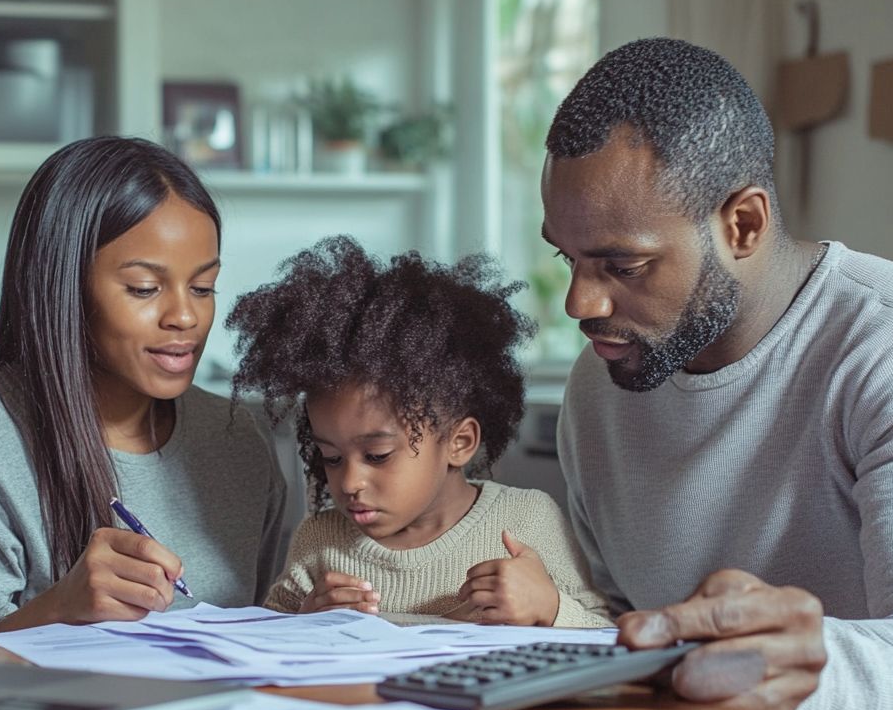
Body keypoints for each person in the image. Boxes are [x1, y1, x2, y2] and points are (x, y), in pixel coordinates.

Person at [543, 37, 893, 710]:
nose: (580, 302)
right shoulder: (602, 384)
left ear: (744, 225)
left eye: (623, 264)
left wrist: (810, 668)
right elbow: (614, 623)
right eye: (566, 258)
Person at [0, 136, 287, 635]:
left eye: (203, 287)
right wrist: (61, 605)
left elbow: (270, 623)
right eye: (145, 289)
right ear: (64, 288)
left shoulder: (237, 435)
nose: (186, 316)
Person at [226, 236, 611, 626]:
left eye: (377, 455)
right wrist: (304, 620)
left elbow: (604, 637)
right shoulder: (319, 543)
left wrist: (550, 608)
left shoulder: (526, 521)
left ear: (459, 443)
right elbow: (265, 641)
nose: (350, 481)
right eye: (332, 458)